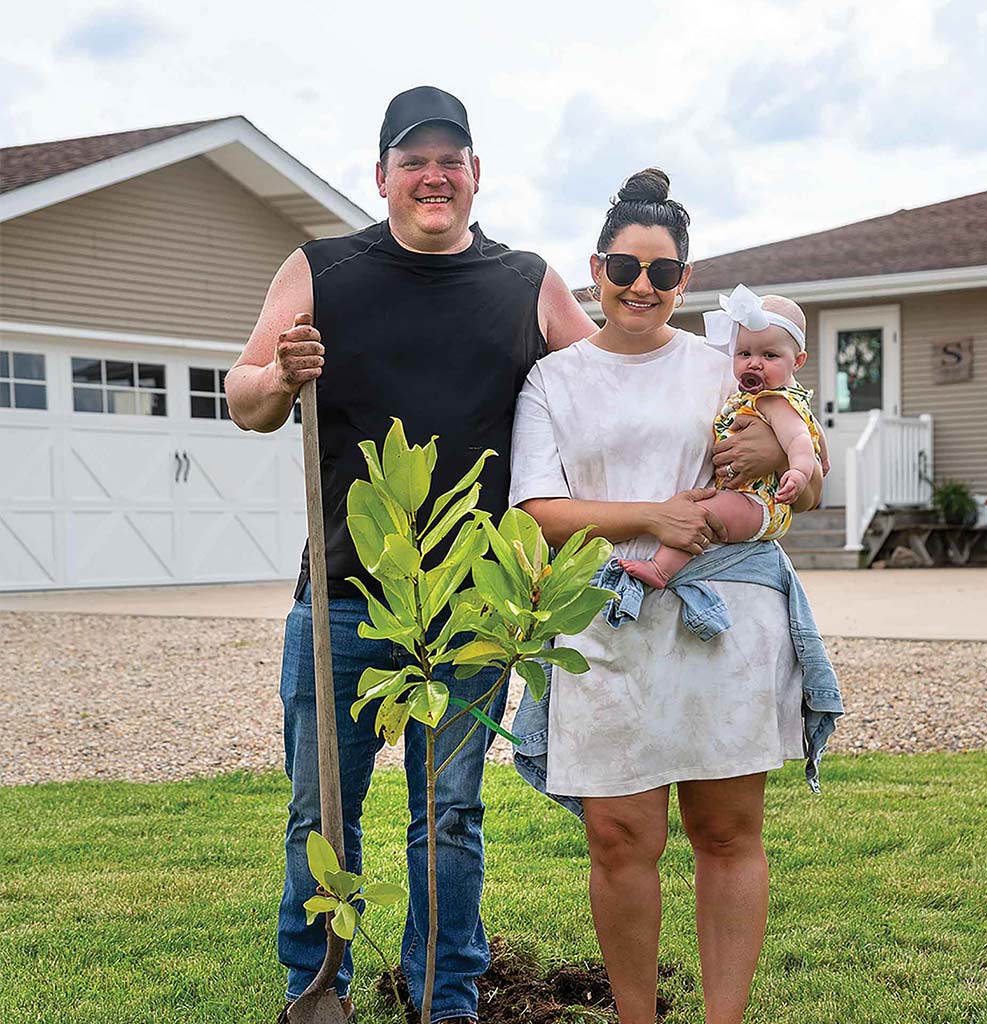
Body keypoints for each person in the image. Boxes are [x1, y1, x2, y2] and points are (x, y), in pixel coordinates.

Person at [225, 86, 594, 1024]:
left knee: (450, 820)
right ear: (381, 173)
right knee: (323, 813)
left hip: (474, 604)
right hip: (345, 597)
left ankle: (447, 997)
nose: (435, 175)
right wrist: (281, 374)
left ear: (476, 175)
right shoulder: (320, 269)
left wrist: (761, 409)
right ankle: (317, 987)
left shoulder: (528, 282)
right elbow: (245, 399)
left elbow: (609, 386)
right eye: (414, 159)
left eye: (452, 158)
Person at [509, 168, 839, 1024]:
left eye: (661, 272)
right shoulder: (554, 381)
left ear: (685, 281)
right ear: (595, 270)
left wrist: (783, 462)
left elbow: (804, 471)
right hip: (604, 621)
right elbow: (539, 511)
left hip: (722, 627)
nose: (641, 287)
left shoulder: (722, 369)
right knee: (622, 840)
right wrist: (651, 516)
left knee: (726, 833)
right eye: (624, 268)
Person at [619, 283, 821, 589]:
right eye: (744, 353)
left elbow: (799, 439)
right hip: (744, 496)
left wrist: (799, 471)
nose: (754, 363)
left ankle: (661, 570)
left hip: (758, 502)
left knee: (697, 515)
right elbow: (812, 428)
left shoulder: (775, 401)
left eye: (769, 355)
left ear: (798, 362)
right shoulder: (758, 395)